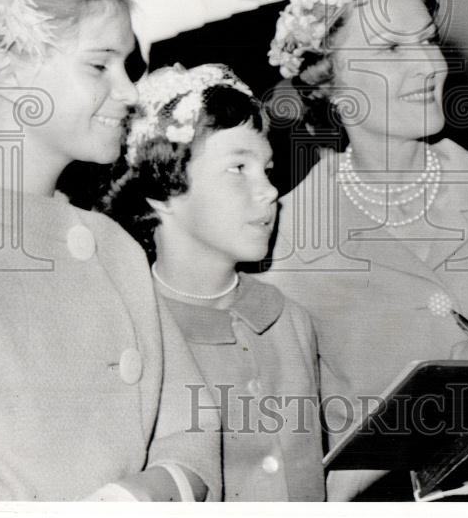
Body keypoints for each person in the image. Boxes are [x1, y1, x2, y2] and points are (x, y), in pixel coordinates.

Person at [0, 0, 221, 500]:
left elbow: (190, 424)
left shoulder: (112, 248)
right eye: (99, 65)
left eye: (127, 66)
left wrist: (144, 492)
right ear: (8, 73)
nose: (130, 92)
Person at [256, 0, 468, 499]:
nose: (429, 66)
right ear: (329, 85)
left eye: (427, 41)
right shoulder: (282, 241)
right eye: (390, 50)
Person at [102, 63, 325, 501]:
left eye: (267, 169)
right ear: (162, 188)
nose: (269, 191)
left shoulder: (289, 320)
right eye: (238, 168)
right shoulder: (128, 329)